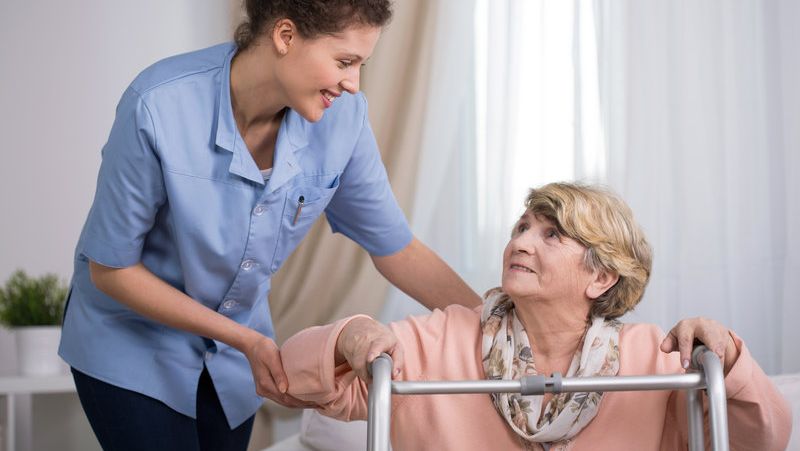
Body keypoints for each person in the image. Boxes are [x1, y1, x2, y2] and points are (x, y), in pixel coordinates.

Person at [57, 1, 480, 449]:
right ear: (285, 36)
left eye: (361, 65)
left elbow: (397, 248)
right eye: (344, 61)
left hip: (233, 362)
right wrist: (245, 339)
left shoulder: (343, 122)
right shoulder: (157, 105)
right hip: (132, 345)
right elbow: (111, 269)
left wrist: (498, 324)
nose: (353, 84)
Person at [281, 182, 792, 450]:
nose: (520, 243)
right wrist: (350, 335)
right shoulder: (437, 340)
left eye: (551, 235)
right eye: (521, 227)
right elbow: (296, 380)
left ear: (601, 278)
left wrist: (724, 359)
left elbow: (762, 441)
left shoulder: (656, 357)